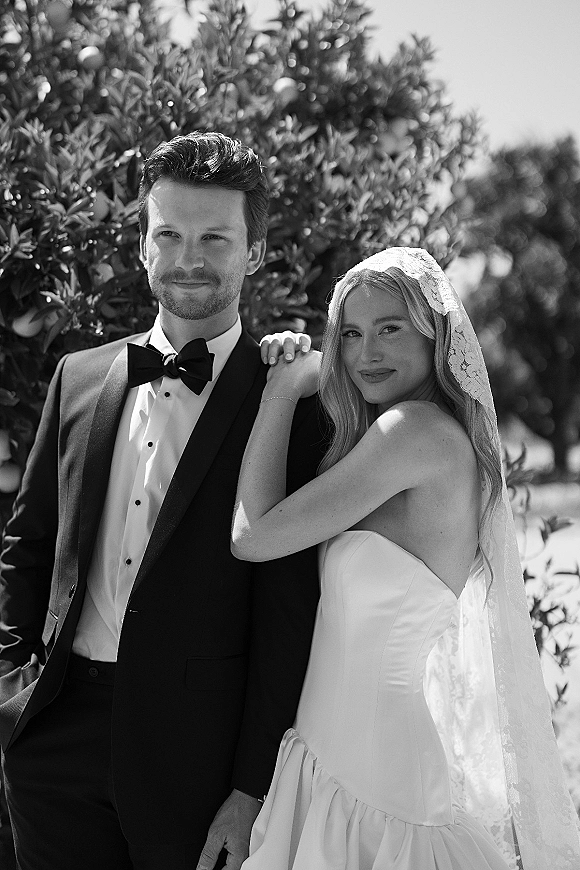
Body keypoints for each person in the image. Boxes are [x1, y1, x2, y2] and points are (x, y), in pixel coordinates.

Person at [0, 131, 326, 870]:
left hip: (198, 764)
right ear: (143, 243)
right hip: (54, 745)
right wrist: (10, 699)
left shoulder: (290, 399)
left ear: (255, 250)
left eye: (216, 236)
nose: (190, 257)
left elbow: (287, 614)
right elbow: (26, 553)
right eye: (170, 233)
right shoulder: (77, 378)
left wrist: (251, 792)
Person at [232, 247, 580, 869]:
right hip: (334, 758)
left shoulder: (412, 432)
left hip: (378, 780)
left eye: (390, 329)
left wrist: (281, 390)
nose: (367, 354)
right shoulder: (408, 435)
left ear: (435, 333)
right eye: (352, 334)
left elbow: (253, 537)